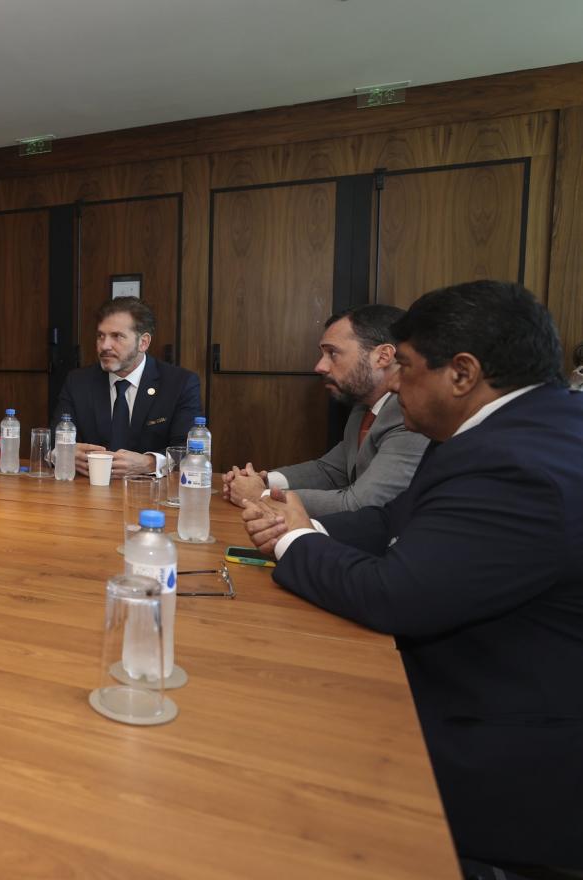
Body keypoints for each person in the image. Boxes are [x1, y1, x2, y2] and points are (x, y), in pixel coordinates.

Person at [238, 280, 583, 872]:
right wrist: (294, 528)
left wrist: (294, 540)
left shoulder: (517, 463)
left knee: (270, 763)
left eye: (408, 367)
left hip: (504, 748)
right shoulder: (513, 429)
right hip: (481, 679)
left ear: (463, 373)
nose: (394, 383)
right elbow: (390, 521)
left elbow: (395, 595)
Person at [223, 304, 428, 516]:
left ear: (383, 356)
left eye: (333, 353)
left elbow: (360, 505)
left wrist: (262, 496)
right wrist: (265, 480)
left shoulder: (410, 414)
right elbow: (331, 470)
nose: (320, 366)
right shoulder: (362, 407)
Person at [51, 297, 200, 477]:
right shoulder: (78, 381)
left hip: (149, 493)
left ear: (143, 342)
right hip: (86, 491)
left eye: (117, 336)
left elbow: (189, 450)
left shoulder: (180, 383)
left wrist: (150, 463)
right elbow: (53, 440)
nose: (104, 346)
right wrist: (62, 454)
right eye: (100, 336)